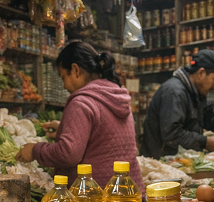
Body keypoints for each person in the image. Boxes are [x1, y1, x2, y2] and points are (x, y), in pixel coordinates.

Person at [15, 42, 143, 189]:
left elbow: (68, 154)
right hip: (127, 195)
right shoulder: (118, 96)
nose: (64, 86)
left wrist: (34, 150)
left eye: (63, 77)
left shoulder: (81, 102)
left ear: (75, 70)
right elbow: (104, 138)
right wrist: (65, 129)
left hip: (96, 199)